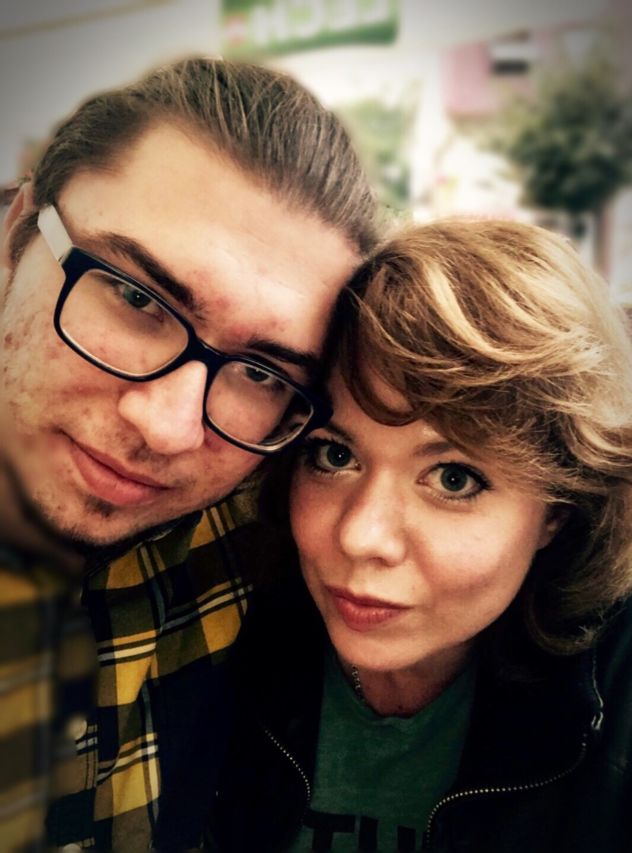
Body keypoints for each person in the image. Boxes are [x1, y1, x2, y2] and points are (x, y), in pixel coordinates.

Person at [0, 56, 379, 851]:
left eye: (260, 372)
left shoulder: (266, 531)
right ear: (17, 233)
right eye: (138, 297)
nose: (168, 429)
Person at [210, 219, 632, 852]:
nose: (361, 537)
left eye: (454, 479)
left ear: (558, 512)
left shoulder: (622, 694)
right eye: (334, 456)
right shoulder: (218, 624)